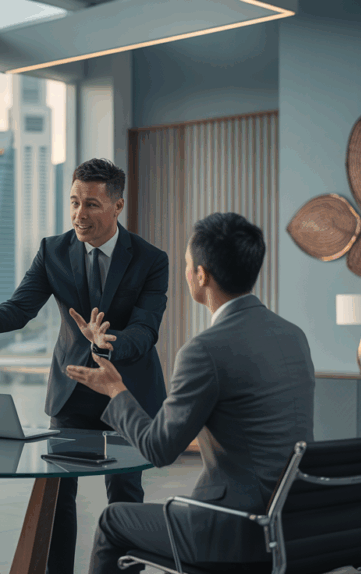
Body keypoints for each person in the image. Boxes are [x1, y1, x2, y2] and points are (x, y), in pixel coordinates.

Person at [0, 158, 169, 573]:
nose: (79, 215)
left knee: (125, 496)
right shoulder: (52, 251)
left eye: (92, 204)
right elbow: (20, 309)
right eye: (74, 202)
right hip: (71, 392)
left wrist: (107, 342)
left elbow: (146, 330)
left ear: (117, 206)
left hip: (125, 392)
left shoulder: (151, 259)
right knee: (55, 497)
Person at [65, 212, 316, 574]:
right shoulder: (294, 336)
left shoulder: (204, 350)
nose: (184, 273)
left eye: (186, 264)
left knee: (113, 520)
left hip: (232, 529)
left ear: (201, 275)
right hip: (295, 524)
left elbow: (159, 449)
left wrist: (114, 389)